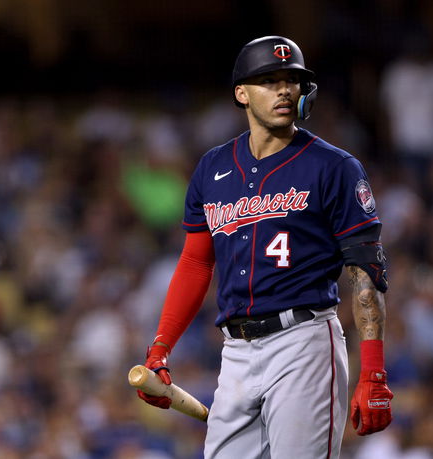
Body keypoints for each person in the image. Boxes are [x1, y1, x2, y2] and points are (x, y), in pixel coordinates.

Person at [137, 35, 393, 459]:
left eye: (292, 80)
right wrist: (160, 349)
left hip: (304, 343)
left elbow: (366, 270)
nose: (284, 90)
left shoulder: (333, 167)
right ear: (242, 93)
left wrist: (374, 369)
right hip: (235, 351)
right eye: (269, 80)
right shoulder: (213, 167)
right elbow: (197, 263)